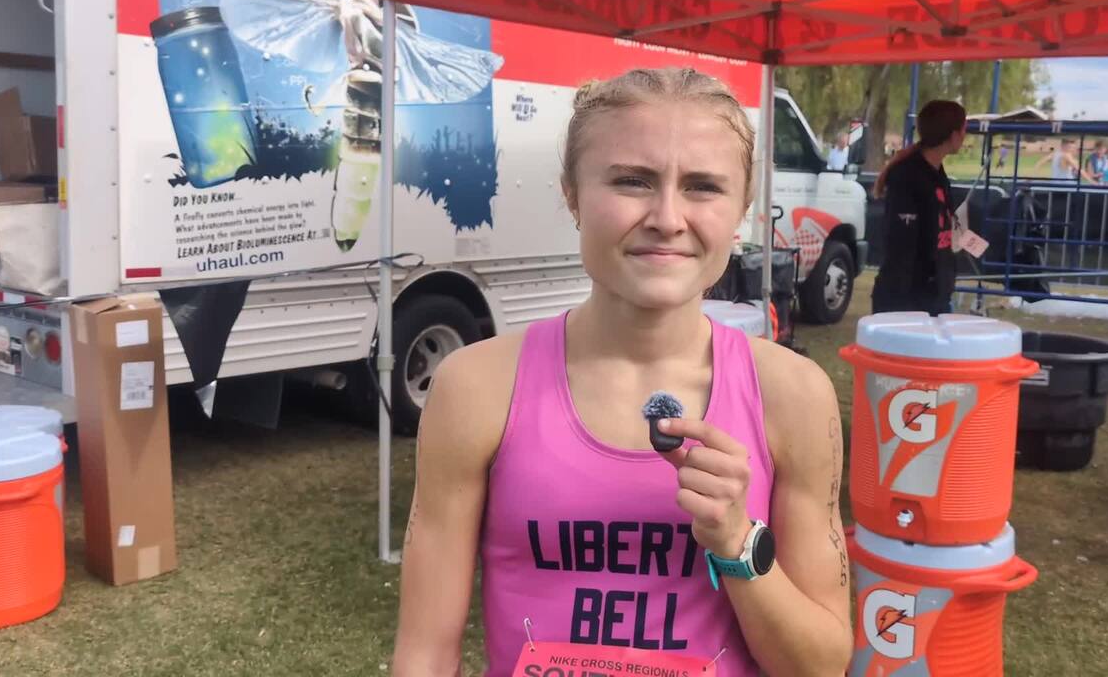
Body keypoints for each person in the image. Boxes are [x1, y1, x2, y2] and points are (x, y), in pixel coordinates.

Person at [390, 67, 853, 676]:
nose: (667, 217)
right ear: (573, 195)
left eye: (703, 187)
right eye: (632, 181)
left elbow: (821, 665)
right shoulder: (477, 387)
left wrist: (738, 541)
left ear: (742, 209)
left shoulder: (792, 395)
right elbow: (425, 653)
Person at [870, 99, 967, 316]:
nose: (964, 135)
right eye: (963, 129)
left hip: (934, 296)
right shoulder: (907, 176)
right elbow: (901, 244)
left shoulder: (938, 174)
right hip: (906, 300)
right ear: (953, 135)